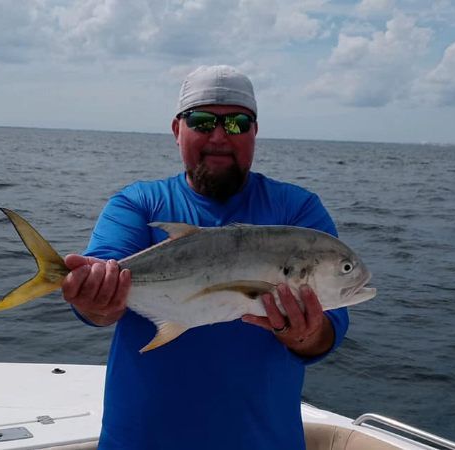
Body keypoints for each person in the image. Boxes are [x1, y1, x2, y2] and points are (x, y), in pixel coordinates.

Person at [61, 65, 349, 450]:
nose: (219, 136)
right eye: (201, 121)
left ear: (255, 132)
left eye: (236, 124)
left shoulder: (297, 212)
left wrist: (308, 334)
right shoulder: (138, 204)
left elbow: (331, 326)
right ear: (177, 130)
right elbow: (98, 298)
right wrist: (95, 299)